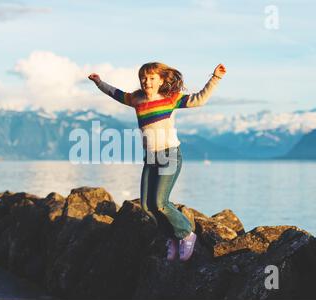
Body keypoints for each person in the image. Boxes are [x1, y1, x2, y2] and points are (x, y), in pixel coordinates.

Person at [88, 62, 226, 261]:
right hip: (151, 158)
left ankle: (187, 234)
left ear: (161, 80)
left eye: (152, 78)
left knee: (160, 203)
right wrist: (99, 82)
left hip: (169, 154)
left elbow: (199, 99)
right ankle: (171, 237)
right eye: (143, 78)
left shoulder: (170, 99)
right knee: (146, 205)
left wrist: (215, 78)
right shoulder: (136, 99)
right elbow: (115, 93)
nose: (147, 81)